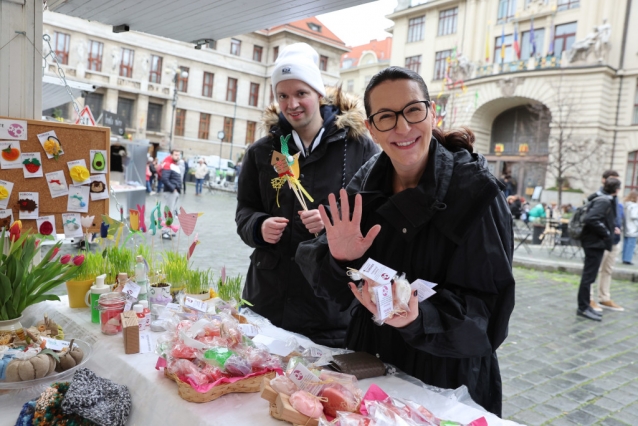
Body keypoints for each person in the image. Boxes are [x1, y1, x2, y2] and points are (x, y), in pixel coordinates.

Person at [296, 66, 514, 416]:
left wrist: (418, 318)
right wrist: (340, 260)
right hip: (370, 363)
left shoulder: (476, 193)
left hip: (445, 378)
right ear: (371, 129)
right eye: (385, 117)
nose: (402, 127)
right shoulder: (366, 183)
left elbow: (488, 316)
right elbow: (328, 288)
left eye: (413, 110)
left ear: (431, 112)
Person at [236, 43, 379, 347]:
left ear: (318, 93)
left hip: (329, 309)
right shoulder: (263, 151)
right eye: (282, 95)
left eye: (301, 93)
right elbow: (244, 212)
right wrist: (259, 226)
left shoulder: (359, 148)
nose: (292, 104)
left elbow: (377, 217)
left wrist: (333, 229)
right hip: (267, 300)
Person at [577, 177, 621, 321]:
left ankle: (585, 306)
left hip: (594, 242)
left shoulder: (602, 198)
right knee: (588, 277)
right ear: (616, 189)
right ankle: (583, 307)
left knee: (589, 277)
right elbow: (591, 219)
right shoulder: (604, 201)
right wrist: (606, 233)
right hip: (594, 243)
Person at [589, 170, 624, 313]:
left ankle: (604, 297)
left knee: (608, 270)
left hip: (614, 240)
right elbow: (591, 218)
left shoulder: (615, 198)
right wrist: (606, 231)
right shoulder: (598, 197)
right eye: (611, 180)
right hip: (601, 239)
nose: (614, 184)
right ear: (604, 180)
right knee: (594, 270)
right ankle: (589, 299)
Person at [161, 150, 182, 239]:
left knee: (171, 211)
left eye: (179, 155)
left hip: (174, 191)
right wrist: (172, 188)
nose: (177, 156)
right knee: (168, 211)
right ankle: (165, 232)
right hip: (171, 192)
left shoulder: (173, 165)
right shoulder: (168, 164)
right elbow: (164, 178)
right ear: (171, 155)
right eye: (176, 155)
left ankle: (168, 230)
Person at [622, 191, 638, 265]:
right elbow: (634, 216)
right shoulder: (634, 206)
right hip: (633, 227)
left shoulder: (626, 205)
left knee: (626, 243)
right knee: (631, 244)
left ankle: (624, 258)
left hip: (626, 226)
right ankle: (628, 259)